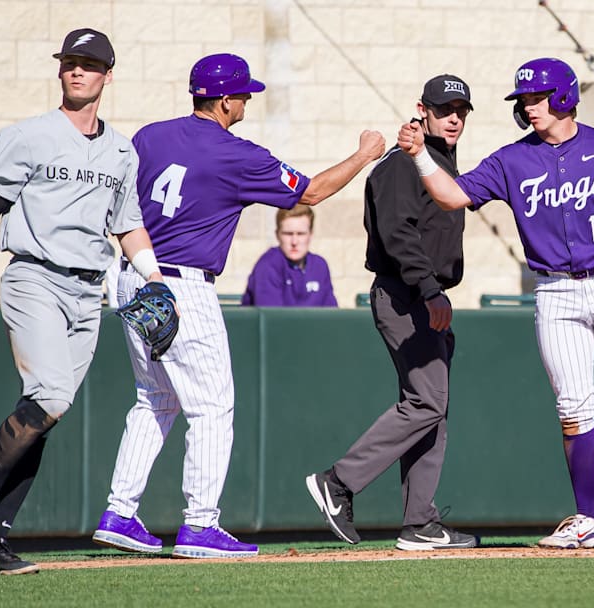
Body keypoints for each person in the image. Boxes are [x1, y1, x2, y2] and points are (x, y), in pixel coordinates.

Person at [397, 58, 594, 549]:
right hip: (553, 291)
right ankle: (590, 518)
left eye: (537, 98)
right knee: (573, 408)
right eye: (524, 100)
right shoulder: (512, 160)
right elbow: (451, 196)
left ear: (565, 96)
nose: (529, 107)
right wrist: (422, 155)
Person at [90, 53, 385, 559]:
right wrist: (364, 155)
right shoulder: (237, 154)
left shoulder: (150, 136)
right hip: (183, 285)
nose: (247, 99)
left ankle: (120, 512)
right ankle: (200, 525)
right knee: (212, 409)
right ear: (225, 100)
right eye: (244, 93)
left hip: (134, 275)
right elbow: (310, 193)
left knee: (154, 401)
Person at [0, 28, 169, 574]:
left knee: (46, 413)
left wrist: (153, 279)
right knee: (50, 397)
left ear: (109, 74)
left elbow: (128, 226)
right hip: (36, 277)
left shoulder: (120, 151)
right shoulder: (28, 136)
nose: (76, 71)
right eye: (69, 62)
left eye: (88, 64)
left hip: (89, 290)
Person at [305, 74, 477, 551]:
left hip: (424, 296)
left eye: (461, 109)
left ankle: (419, 521)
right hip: (407, 296)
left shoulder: (437, 163)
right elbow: (399, 234)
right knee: (426, 402)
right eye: (445, 109)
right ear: (422, 110)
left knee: (433, 409)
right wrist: (428, 290)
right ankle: (337, 482)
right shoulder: (403, 166)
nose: (455, 117)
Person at [241, 204, 337, 307]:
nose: (294, 241)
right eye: (288, 234)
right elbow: (271, 318)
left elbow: (332, 314)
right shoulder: (267, 265)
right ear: (277, 235)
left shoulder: (320, 266)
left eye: (301, 234)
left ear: (310, 235)